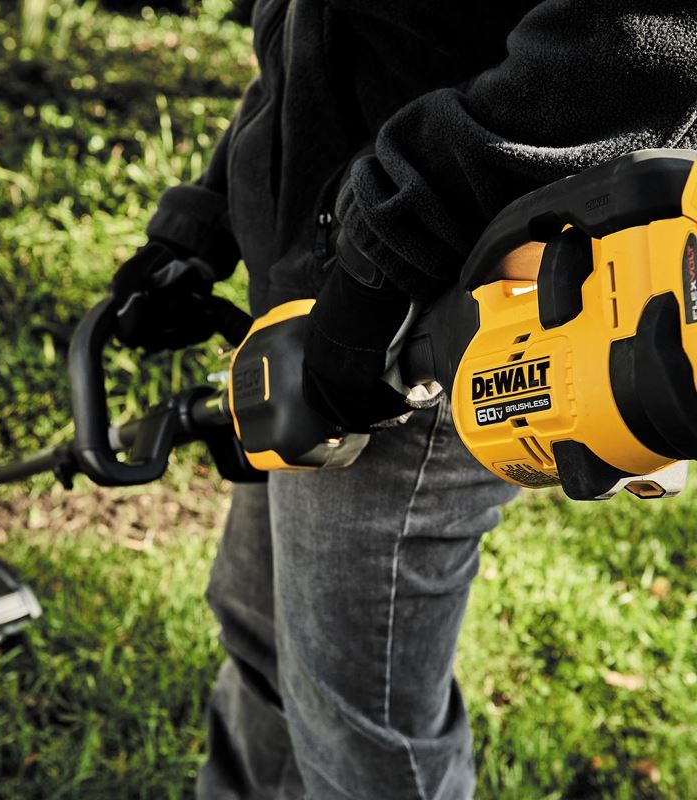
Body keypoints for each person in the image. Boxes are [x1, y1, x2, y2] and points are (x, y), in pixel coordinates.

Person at [110, 2, 697, 797]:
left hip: (446, 308)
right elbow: (329, 38)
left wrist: (387, 253)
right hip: (324, 299)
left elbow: (640, 35)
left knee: (363, 737)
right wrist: (205, 217)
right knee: (260, 634)